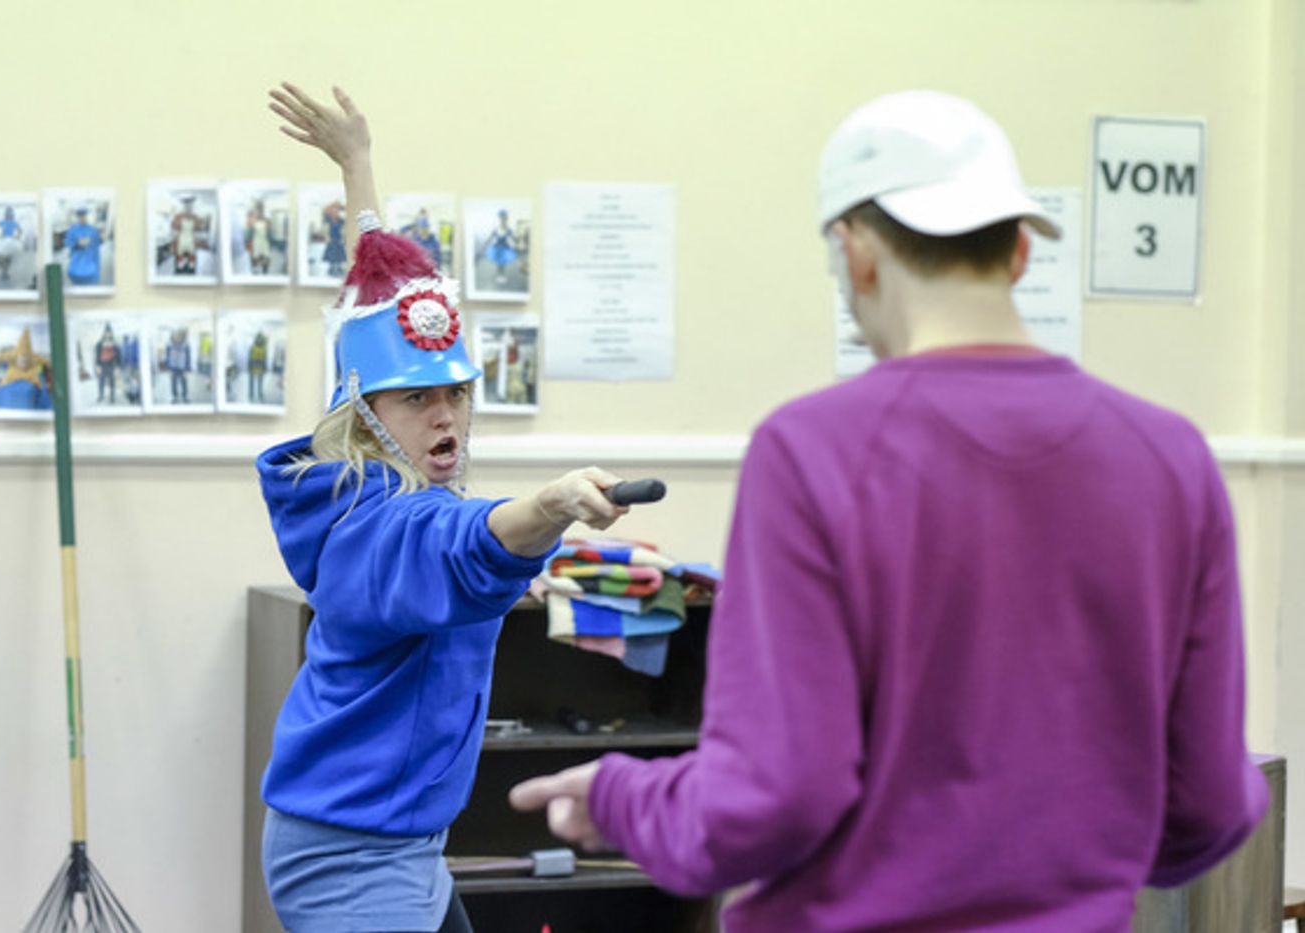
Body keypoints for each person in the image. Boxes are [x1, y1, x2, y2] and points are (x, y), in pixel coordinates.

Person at [509, 90, 1268, 932]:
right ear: (1019, 250)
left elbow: (772, 799)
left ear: (855, 253)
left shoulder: (812, 453)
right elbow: (1207, 803)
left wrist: (623, 797)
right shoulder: (1171, 460)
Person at [258, 80, 632, 933]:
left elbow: (379, 291)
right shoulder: (374, 522)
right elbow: (461, 544)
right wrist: (548, 504)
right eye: (417, 400)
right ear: (365, 416)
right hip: (352, 853)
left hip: (404, 842)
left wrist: (356, 166)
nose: (445, 416)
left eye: (457, 395)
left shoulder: (377, 488)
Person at [62, 205, 104, 286]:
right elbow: (68, 243)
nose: (82, 217)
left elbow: (96, 250)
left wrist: (101, 238)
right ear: (77, 217)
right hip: (76, 268)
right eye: (80, 215)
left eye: (84, 215)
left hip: (91, 268)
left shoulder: (93, 230)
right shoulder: (73, 229)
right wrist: (78, 244)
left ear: (87, 215)